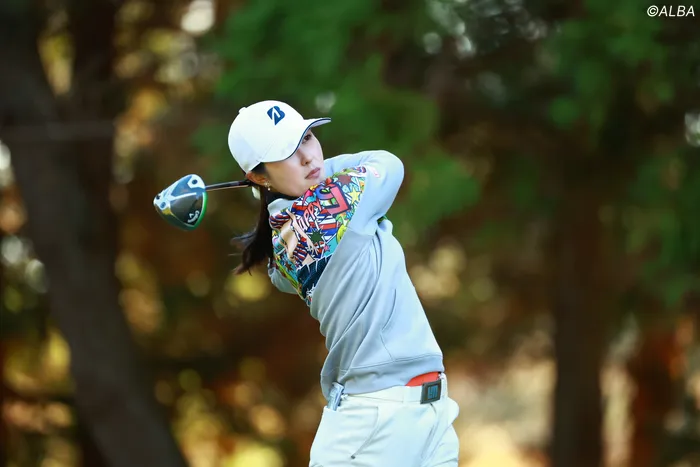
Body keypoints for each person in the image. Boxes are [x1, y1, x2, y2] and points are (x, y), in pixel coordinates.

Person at [227, 100, 460, 466]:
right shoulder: (332, 205)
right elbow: (389, 164)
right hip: (374, 425)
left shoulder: (289, 233)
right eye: (287, 152)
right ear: (257, 176)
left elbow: (280, 275)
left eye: (306, 137)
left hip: (427, 415)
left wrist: (279, 187)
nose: (307, 156)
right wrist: (322, 174)